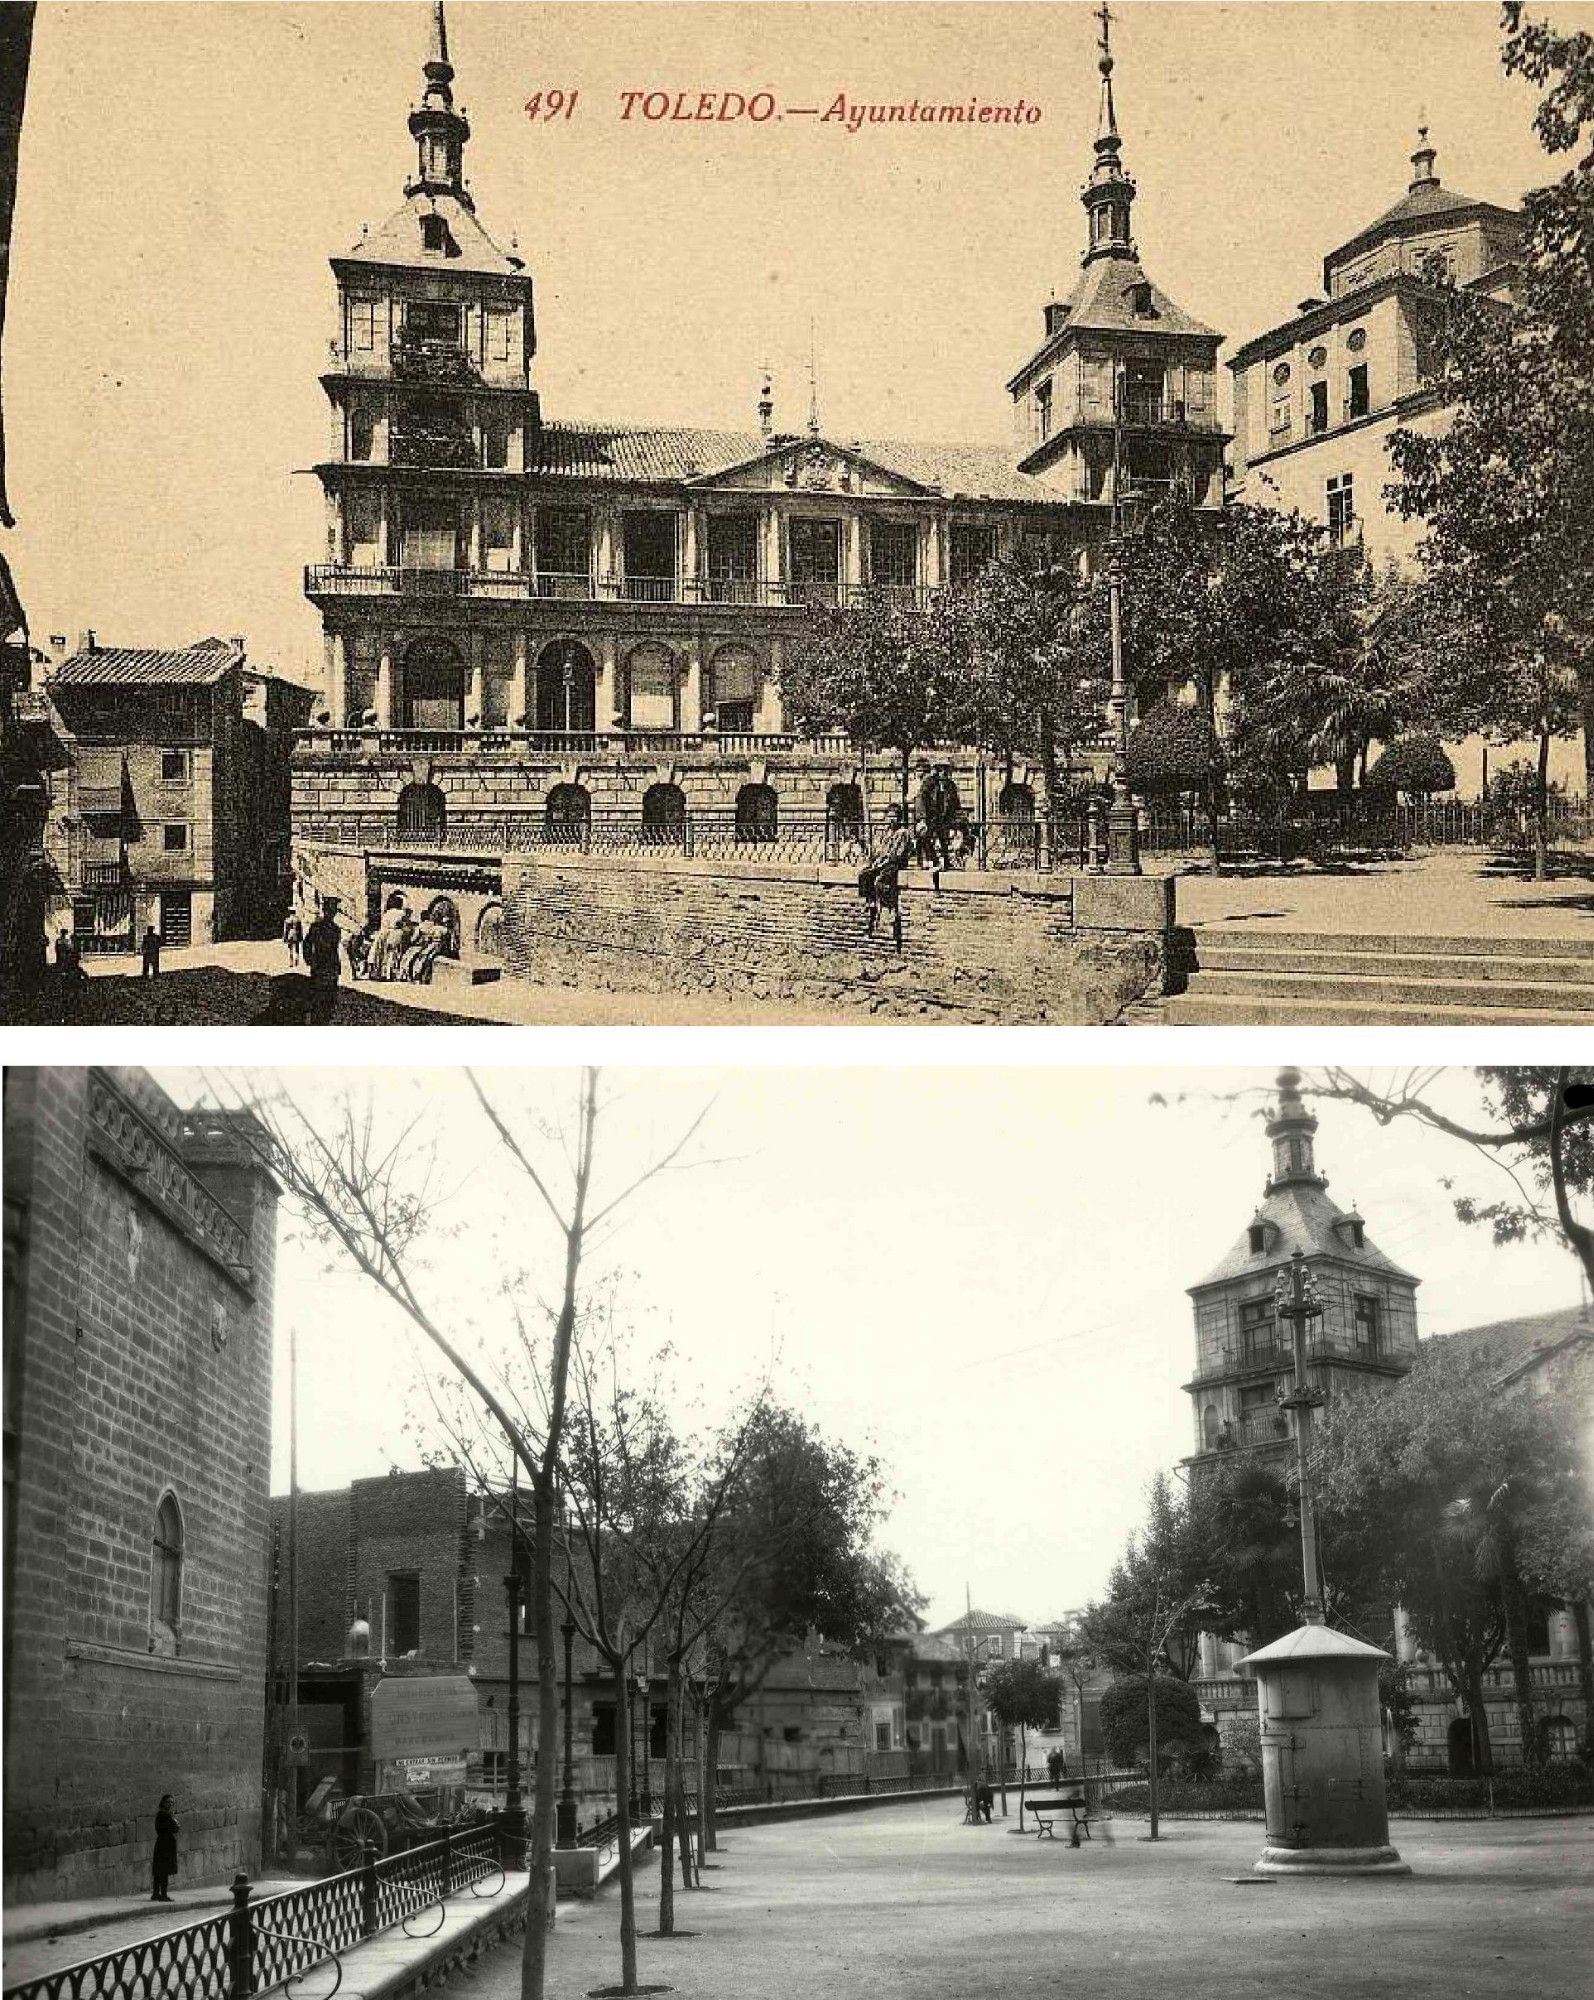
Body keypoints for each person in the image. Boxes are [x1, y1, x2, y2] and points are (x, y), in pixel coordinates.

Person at [858, 806, 914, 950]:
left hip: (895, 864)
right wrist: (873, 861)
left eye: (894, 816)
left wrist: (883, 862)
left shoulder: (903, 833)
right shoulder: (887, 832)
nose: (891, 819)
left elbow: (897, 854)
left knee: (882, 880)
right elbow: (881, 850)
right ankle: (870, 902)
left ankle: (888, 911)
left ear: (899, 818)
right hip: (884, 862)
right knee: (864, 874)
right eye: (889, 816)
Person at [301, 900, 343, 1025]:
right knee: (318, 996)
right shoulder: (316, 927)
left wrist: (338, 965)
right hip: (319, 964)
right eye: (330, 911)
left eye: (334, 911)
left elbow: (335, 949)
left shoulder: (336, 929)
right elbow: (306, 943)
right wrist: (309, 960)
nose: (332, 914)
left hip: (332, 966)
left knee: (330, 998)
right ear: (325, 911)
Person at [151, 1794, 179, 1902]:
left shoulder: (166, 1815)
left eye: (172, 1802)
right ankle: (163, 1894)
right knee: (163, 1871)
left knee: (160, 1871)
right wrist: (173, 1823)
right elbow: (173, 1828)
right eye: (168, 1802)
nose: (170, 1804)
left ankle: (156, 1893)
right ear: (163, 1802)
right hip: (164, 1845)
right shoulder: (164, 1815)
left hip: (165, 1845)